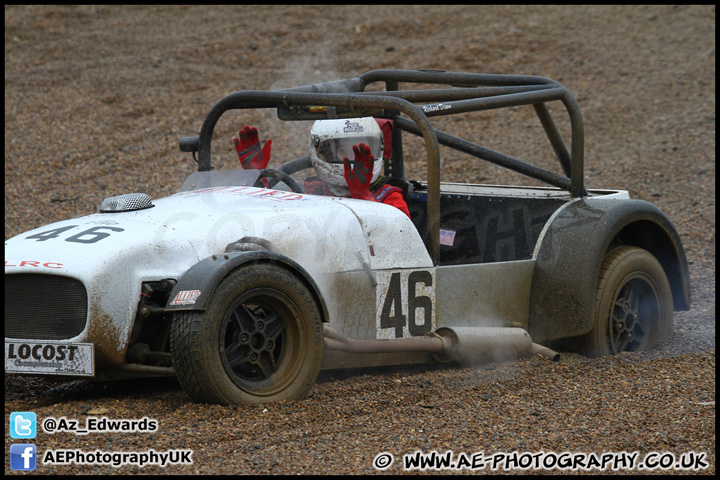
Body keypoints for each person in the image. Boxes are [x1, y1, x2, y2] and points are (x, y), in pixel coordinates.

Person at [233, 117, 410, 218]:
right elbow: (265, 217)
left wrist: (363, 196)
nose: (351, 158)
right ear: (322, 152)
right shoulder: (309, 191)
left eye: (359, 150)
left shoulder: (388, 197)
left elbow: (399, 241)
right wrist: (255, 177)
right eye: (341, 150)